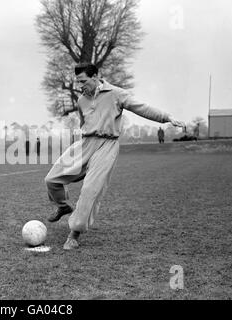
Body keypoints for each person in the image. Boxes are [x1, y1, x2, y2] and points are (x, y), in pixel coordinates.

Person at [44, 62, 185, 250]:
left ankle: (74, 234)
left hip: (107, 146)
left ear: (95, 76)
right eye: (78, 82)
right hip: (85, 143)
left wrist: (166, 117)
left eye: (83, 81)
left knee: (90, 190)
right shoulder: (81, 100)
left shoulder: (116, 94)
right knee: (51, 179)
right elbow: (84, 121)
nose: (80, 86)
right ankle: (62, 206)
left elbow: (141, 107)